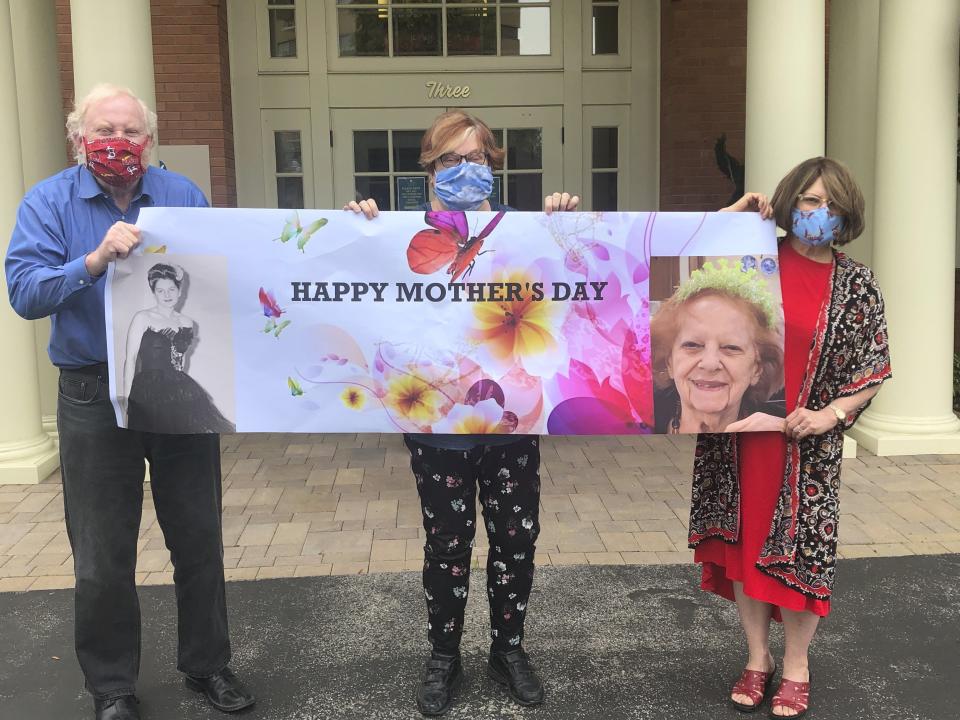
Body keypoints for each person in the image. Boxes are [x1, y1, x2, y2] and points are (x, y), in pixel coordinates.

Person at [5, 84, 253, 720]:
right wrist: (90, 261)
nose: (119, 140)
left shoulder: (181, 196)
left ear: (150, 141)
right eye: (104, 128)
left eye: (132, 131)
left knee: (198, 536)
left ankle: (209, 666)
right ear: (78, 136)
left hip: (179, 395)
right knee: (102, 551)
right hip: (93, 393)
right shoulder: (49, 202)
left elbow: (224, 278)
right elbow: (26, 293)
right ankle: (112, 687)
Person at [345, 110, 578, 716]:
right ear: (429, 171)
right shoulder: (397, 233)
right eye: (450, 160)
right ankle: (443, 654)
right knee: (446, 544)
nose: (464, 170)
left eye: (476, 159)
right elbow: (352, 281)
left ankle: (509, 647)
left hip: (509, 421)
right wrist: (348, 232)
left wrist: (565, 221)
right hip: (440, 428)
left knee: (515, 538)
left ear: (494, 166)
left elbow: (577, 273)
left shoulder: (526, 229)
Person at [688, 157, 891, 718]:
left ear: (847, 214)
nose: (818, 213)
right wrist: (731, 219)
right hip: (741, 436)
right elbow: (685, 277)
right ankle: (757, 660)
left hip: (807, 443)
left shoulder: (856, 284)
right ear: (787, 202)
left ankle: (796, 664)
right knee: (746, 546)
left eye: (830, 204)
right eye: (808, 201)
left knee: (803, 552)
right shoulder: (753, 263)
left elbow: (873, 366)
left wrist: (830, 414)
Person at [649, 259, 785, 433]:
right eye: (692, 345)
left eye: (731, 347)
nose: (710, 364)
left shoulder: (782, 428)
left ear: (756, 369)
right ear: (669, 363)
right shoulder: (635, 422)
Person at [123, 263, 235, 434]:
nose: (167, 295)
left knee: (180, 439)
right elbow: (130, 359)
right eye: (160, 291)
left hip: (176, 388)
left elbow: (180, 362)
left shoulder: (187, 323)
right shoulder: (143, 318)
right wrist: (126, 397)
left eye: (171, 290)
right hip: (147, 389)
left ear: (179, 291)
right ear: (154, 293)